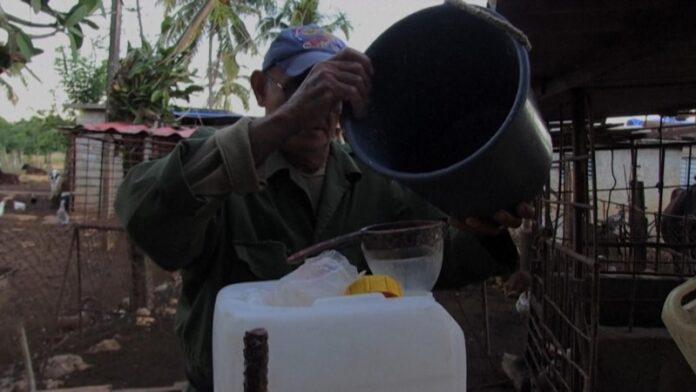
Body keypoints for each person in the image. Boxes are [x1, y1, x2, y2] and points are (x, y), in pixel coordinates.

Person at [115, 24, 532, 391]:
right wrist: (289, 119)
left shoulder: (375, 184)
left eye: (336, 93)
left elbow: (432, 261)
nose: (322, 107)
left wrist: (484, 223)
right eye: (303, 87)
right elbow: (151, 214)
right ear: (260, 88)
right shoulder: (221, 173)